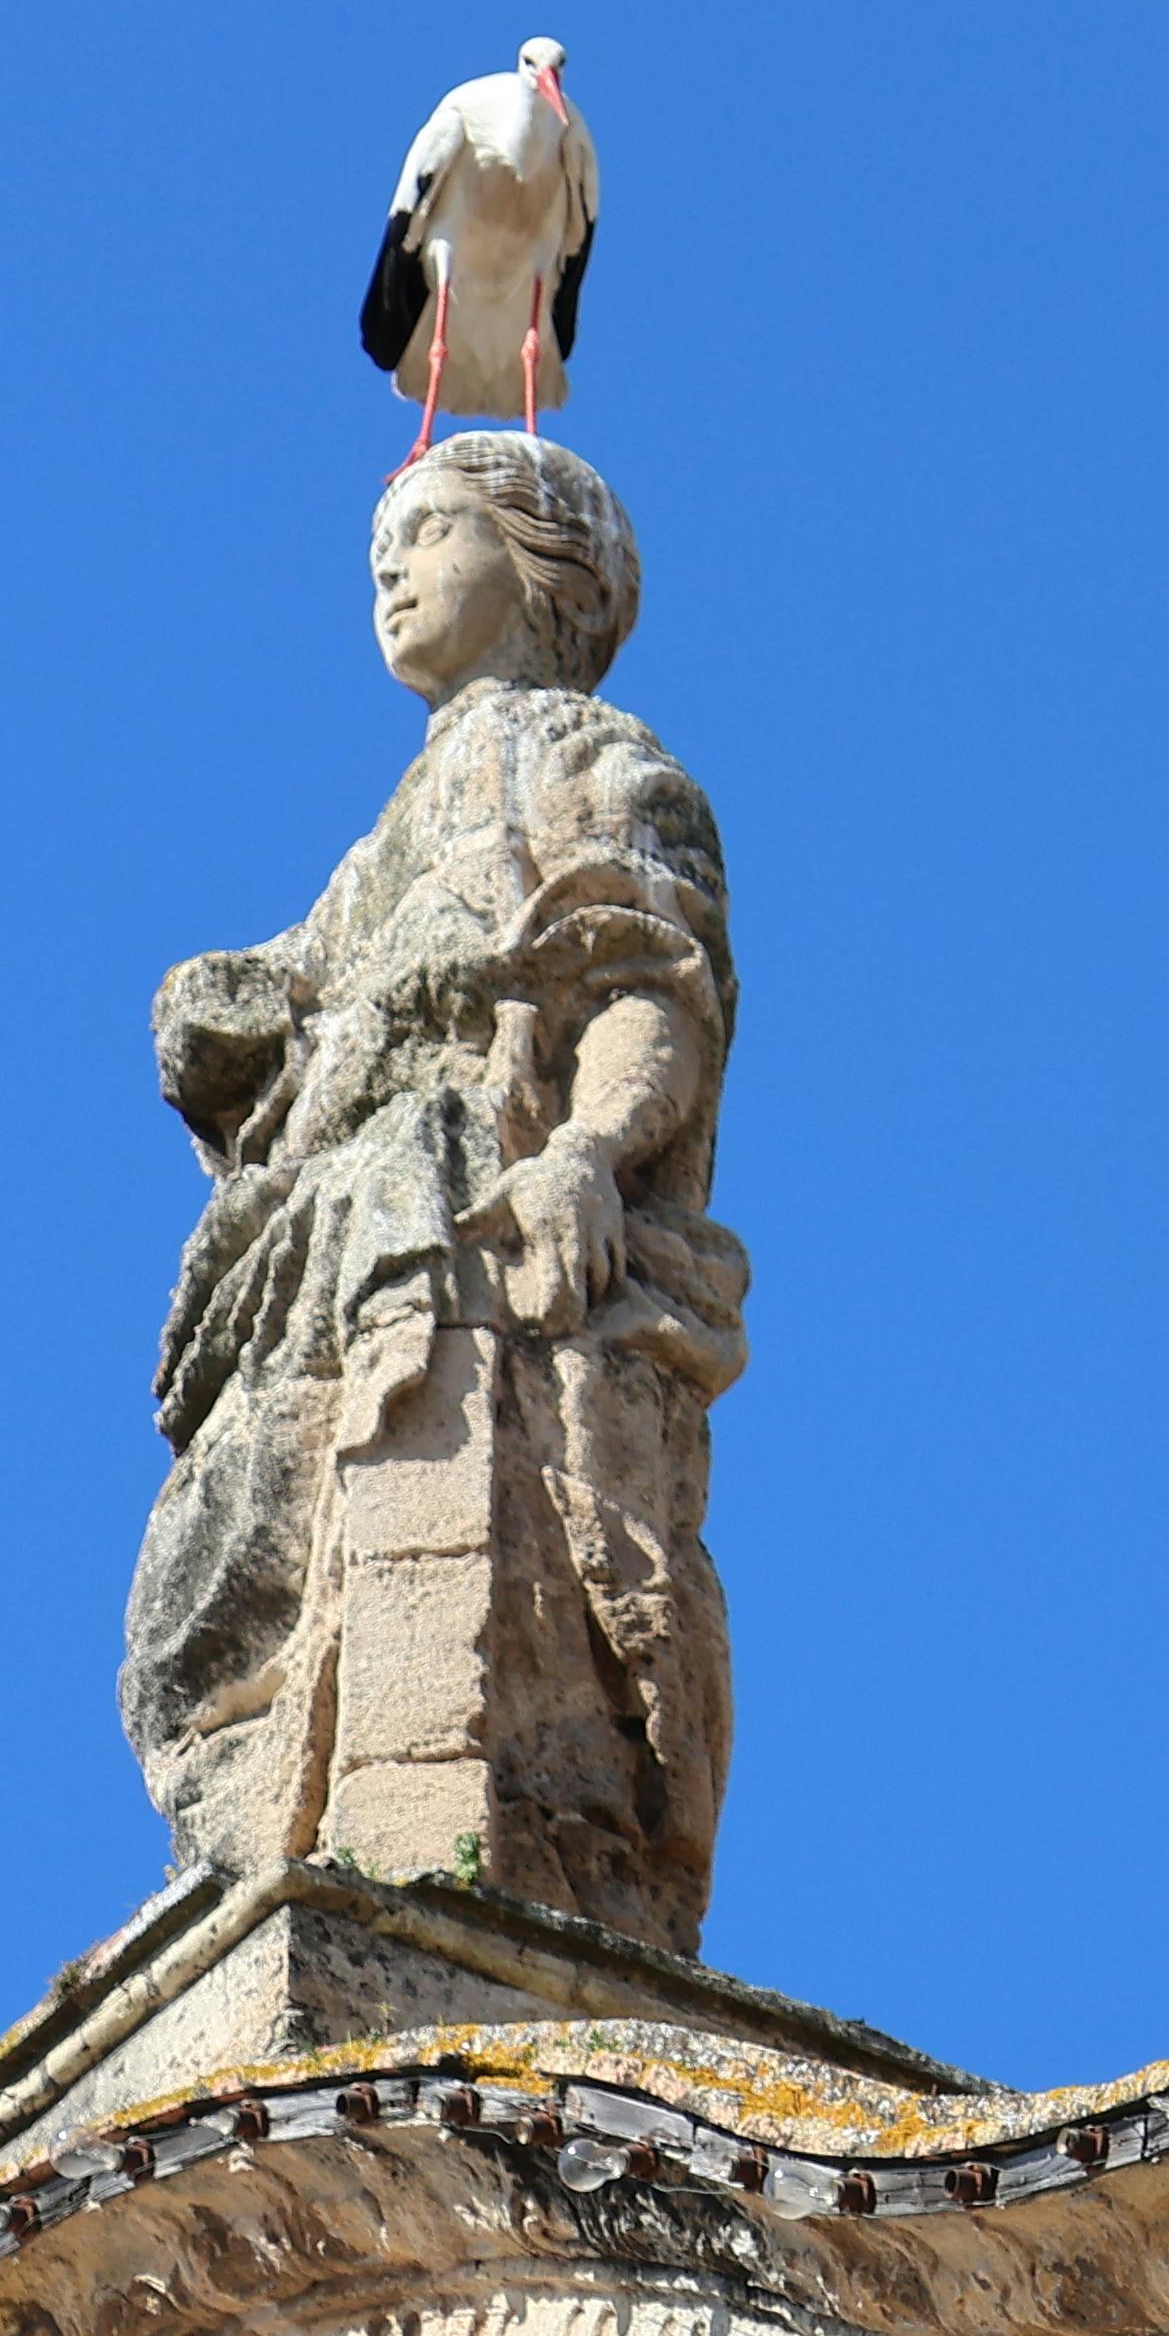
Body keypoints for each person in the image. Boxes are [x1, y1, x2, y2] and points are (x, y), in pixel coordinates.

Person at [118, 431, 746, 1941]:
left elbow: (646, 983)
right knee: (215, 1569)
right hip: (324, 1249)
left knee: (467, 1532)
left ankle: (432, 1838)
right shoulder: (381, 845)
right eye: (377, 551)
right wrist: (228, 1014)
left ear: (543, 570)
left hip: (469, 1217)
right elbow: (296, 1014)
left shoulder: (593, 762)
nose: (390, 571)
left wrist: (586, 1154)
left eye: (430, 532)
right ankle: (274, 1825)